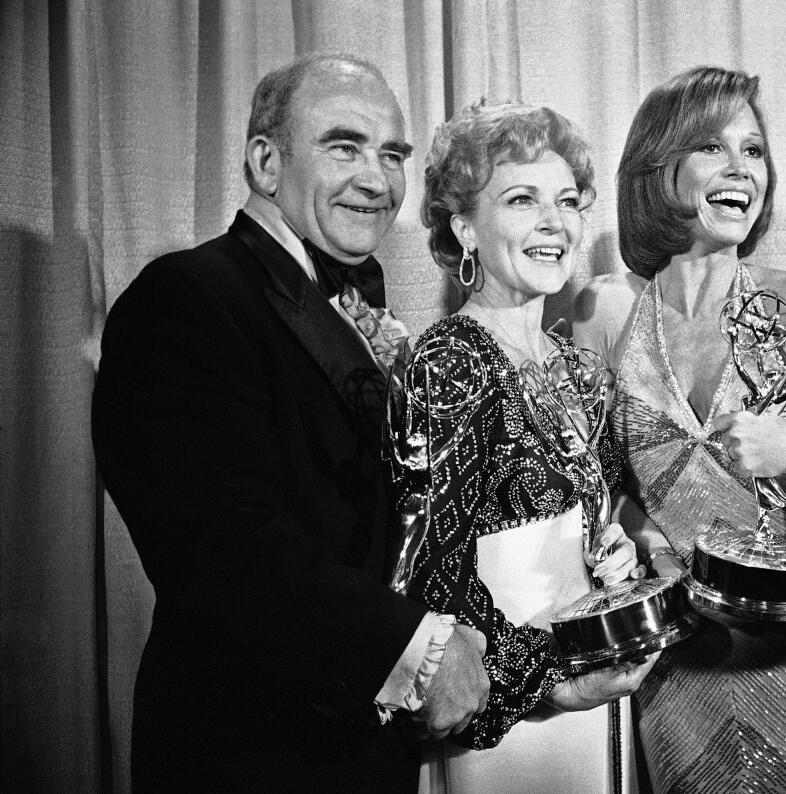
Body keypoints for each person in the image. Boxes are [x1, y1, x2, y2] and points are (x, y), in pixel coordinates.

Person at [91, 54, 491, 793]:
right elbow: (224, 548)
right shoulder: (185, 298)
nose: (377, 179)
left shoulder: (359, 307)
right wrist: (418, 647)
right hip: (251, 752)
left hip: (366, 752)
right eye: (345, 146)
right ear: (265, 162)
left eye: (392, 154)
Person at [573, 66, 786, 794]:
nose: (741, 170)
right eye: (711, 147)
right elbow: (594, 490)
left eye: (754, 150)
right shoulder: (603, 312)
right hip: (677, 661)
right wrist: (644, 537)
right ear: (658, 170)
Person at [407, 100, 656, 794]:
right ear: (464, 227)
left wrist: (618, 554)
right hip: (504, 721)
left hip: (597, 698)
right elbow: (432, 585)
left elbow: (598, 519)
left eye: (568, 201)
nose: (555, 222)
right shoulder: (450, 360)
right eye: (523, 200)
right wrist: (553, 683)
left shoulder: (576, 367)